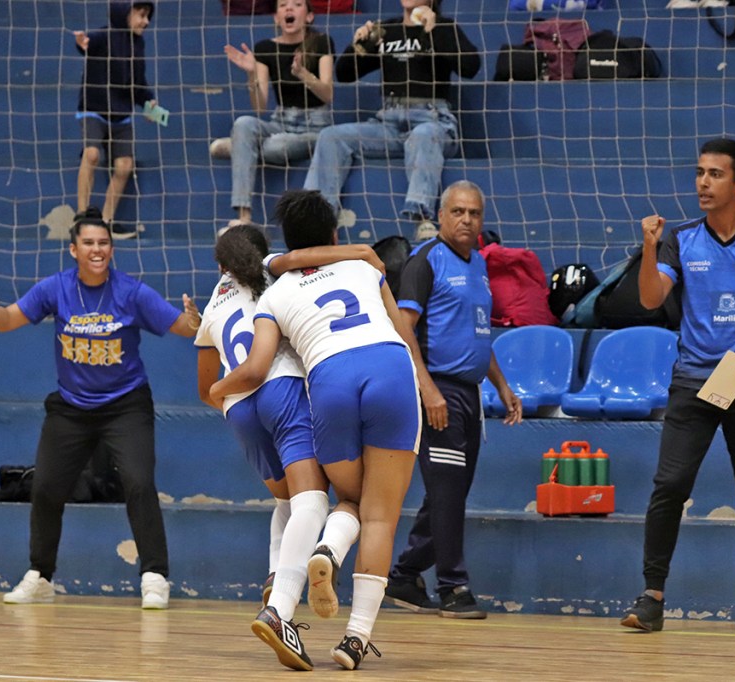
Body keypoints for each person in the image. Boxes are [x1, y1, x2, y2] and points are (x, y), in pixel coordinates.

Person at [210, 189, 422, 671]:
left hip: (329, 379)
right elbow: (403, 332)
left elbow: (258, 364)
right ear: (333, 234)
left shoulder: (274, 291)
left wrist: (217, 391)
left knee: (348, 496)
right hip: (389, 368)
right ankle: (353, 634)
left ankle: (318, 558)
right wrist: (426, 387)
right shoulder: (364, 266)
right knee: (378, 514)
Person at [0, 206, 202, 610]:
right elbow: (6, 321)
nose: (97, 249)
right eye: (89, 243)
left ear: (112, 249)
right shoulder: (55, 289)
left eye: (104, 243)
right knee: (45, 488)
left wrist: (194, 320)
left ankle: (154, 576)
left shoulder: (131, 292)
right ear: (74, 250)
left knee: (138, 483)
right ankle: (41, 577)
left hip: (126, 405)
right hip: (71, 409)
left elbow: (180, 326)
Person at [620, 138, 735, 635]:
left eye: (715, 174)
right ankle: (651, 598)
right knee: (670, 486)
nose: (703, 182)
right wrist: (649, 247)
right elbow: (650, 299)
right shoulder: (680, 239)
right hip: (693, 382)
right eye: (700, 172)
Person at [382, 180, 522, 620]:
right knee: (447, 494)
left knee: (451, 491)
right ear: (441, 216)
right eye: (458, 212)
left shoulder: (479, 264)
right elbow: (403, 330)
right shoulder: (425, 261)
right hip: (436, 392)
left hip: (469, 395)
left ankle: (405, 576)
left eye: (474, 213)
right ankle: (453, 587)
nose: (466, 220)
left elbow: (478, 334)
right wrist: (428, 390)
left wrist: (502, 385)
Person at [303, 0, 480, 241]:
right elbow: (345, 74)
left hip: (432, 119)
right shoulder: (387, 29)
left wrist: (434, 30)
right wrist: (360, 45)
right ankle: (317, 223)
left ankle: (422, 218)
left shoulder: (444, 27)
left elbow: (470, 67)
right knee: (331, 137)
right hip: (388, 122)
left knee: (423, 135)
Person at [210, 0, 335, 224]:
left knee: (278, 146)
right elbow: (260, 106)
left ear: (309, 16)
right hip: (280, 121)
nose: (289, 8)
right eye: (283, 5)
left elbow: (327, 94)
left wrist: (303, 74)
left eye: (297, 4)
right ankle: (244, 216)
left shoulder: (321, 42)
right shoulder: (265, 48)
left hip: (314, 126)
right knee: (243, 123)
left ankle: (241, 146)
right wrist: (251, 74)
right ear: (276, 17)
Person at [73, 1, 162, 239]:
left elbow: (138, 81)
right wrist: (82, 43)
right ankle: (81, 216)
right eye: (141, 15)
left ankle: (106, 221)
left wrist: (149, 101)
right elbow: (87, 43)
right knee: (91, 154)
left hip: (121, 116)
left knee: (124, 165)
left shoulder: (138, 44)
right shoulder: (104, 36)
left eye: (148, 16)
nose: (145, 21)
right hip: (94, 110)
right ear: (124, 13)